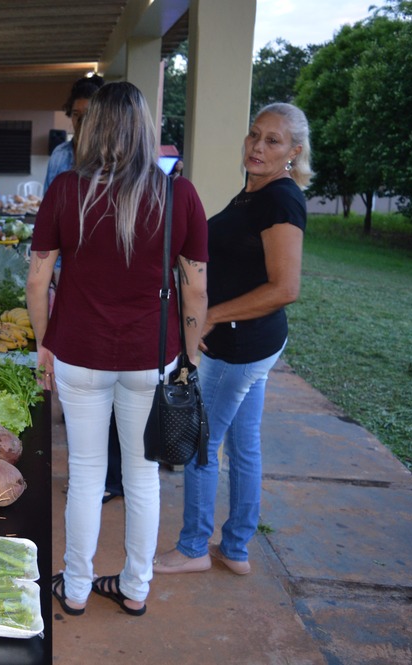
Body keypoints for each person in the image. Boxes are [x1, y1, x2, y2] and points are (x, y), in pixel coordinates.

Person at [26, 82, 208, 617]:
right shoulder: (180, 195)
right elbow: (195, 287)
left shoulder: (65, 191)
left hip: (79, 351)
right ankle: (135, 588)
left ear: (92, 127)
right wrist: (191, 354)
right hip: (152, 356)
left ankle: (77, 589)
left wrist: (43, 344)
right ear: (144, 128)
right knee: (142, 473)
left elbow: (38, 281)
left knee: (84, 472)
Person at [153, 102, 312, 577]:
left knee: (203, 446)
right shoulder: (253, 193)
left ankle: (194, 546)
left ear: (294, 152)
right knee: (244, 445)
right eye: (254, 135)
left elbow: (286, 288)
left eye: (273, 140)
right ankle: (237, 548)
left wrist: (210, 317)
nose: (258, 146)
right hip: (252, 344)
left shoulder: (281, 199)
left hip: (241, 346)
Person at [44, 74, 122, 502]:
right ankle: (96, 474)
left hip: (109, 294)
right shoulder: (61, 158)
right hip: (72, 287)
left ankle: (109, 477)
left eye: (88, 116)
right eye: (75, 116)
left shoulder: (122, 168)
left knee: (110, 391)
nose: (80, 124)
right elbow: (48, 221)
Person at [43, 75, 104, 194]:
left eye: (88, 114)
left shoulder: (108, 154)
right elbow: (48, 199)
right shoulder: (60, 154)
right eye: (76, 114)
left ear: (100, 116)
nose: (81, 120)